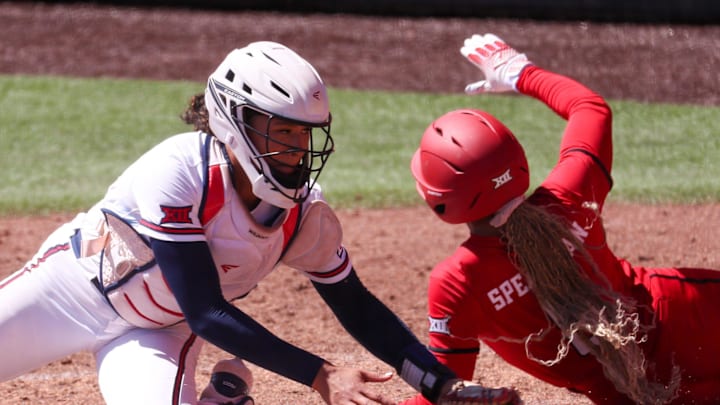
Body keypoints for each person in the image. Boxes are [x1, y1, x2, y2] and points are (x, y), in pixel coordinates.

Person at [0, 41, 522, 405]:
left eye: (305, 135)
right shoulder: (181, 169)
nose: (296, 149)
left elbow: (357, 306)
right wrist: (320, 375)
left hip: (160, 333)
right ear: (234, 119)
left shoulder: (304, 218)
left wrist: (440, 385)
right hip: (68, 290)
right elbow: (206, 310)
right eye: (282, 130)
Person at [401, 33, 720, 405]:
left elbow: (444, 390)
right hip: (690, 317)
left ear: (440, 202)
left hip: (630, 395)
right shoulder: (570, 193)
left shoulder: (457, 283)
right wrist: (519, 72)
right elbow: (590, 107)